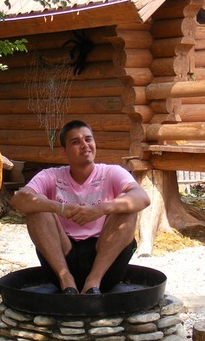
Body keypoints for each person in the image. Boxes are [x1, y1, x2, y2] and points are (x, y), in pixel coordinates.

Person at [9, 120, 151, 295]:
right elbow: (19, 200)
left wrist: (100, 209)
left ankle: (93, 282)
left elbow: (142, 198)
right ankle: (67, 281)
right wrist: (60, 208)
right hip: (62, 260)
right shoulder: (51, 175)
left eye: (88, 139)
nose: (84, 145)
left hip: (105, 264)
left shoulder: (111, 172)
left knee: (127, 207)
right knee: (37, 206)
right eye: (76, 142)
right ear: (64, 151)